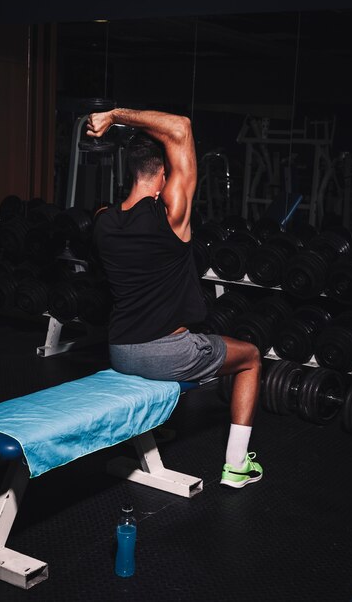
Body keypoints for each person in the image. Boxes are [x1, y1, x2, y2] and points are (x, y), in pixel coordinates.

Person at [86, 107, 263, 489]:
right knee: (249, 357)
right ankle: (236, 466)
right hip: (166, 353)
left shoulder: (102, 221)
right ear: (163, 176)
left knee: (167, 366)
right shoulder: (173, 216)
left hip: (119, 350)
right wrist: (115, 114)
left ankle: (158, 428)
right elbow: (180, 127)